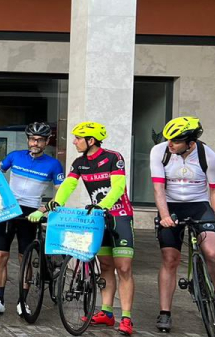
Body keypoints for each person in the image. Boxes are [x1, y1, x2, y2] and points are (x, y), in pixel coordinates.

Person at [50, 121, 135, 335]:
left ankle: (126, 317)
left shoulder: (113, 158)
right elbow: (69, 184)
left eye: (78, 138)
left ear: (91, 140)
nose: (74, 142)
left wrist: (102, 206)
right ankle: (107, 313)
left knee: (123, 267)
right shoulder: (79, 162)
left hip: (119, 216)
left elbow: (118, 187)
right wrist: (57, 202)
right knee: (105, 265)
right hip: (98, 217)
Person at [151, 116, 215, 331]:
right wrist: (164, 215)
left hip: (199, 205)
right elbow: (158, 189)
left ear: (190, 142)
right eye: (168, 139)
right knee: (170, 259)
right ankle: (165, 313)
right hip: (171, 205)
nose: (170, 144)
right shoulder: (160, 152)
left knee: (213, 252)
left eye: (175, 141)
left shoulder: (208, 155)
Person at [0, 121, 63, 316]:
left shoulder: (53, 164)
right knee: (0, 255)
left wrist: (44, 209)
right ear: (28, 140)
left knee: (24, 259)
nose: (35, 143)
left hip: (31, 213)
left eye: (40, 140)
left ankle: (22, 301)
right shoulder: (15, 156)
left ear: (46, 142)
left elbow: (60, 194)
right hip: (9, 210)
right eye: (32, 139)